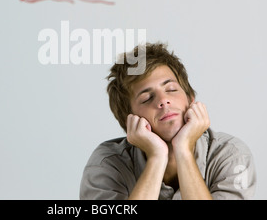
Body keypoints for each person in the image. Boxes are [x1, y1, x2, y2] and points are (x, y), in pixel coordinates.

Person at [80, 42, 256, 200]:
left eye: (171, 89)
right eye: (147, 98)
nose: (163, 100)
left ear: (190, 99)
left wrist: (184, 150)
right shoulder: (106, 164)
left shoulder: (231, 155)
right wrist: (157, 157)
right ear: (129, 121)